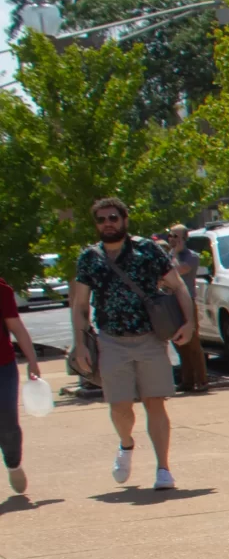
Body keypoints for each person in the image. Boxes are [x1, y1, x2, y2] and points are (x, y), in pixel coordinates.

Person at [68, 197, 194, 491]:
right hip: (111, 341)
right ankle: (126, 445)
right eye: (101, 220)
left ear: (124, 219)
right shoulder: (89, 258)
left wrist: (190, 323)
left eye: (112, 217)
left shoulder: (147, 250)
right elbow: (81, 305)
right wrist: (81, 343)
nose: (107, 223)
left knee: (155, 403)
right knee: (119, 407)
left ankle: (163, 469)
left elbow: (177, 286)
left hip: (150, 338)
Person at [1, 273, 38, 498]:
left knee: (7, 423)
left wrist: (32, 360)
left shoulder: (2, 290)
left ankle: (13, 463)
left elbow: (16, 327)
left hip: (2, 367)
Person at [163, 225, 211, 394]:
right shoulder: (166, 257)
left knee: (192, 342)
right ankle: (187, 381)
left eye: (177, 236)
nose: (173, 239)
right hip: (171, 302)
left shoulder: (192, 257)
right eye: (171, 235)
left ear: (185, 238)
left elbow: (178, 270)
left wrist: (176, 253)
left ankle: (202, 380)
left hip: (188, 302)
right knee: (178, 341)